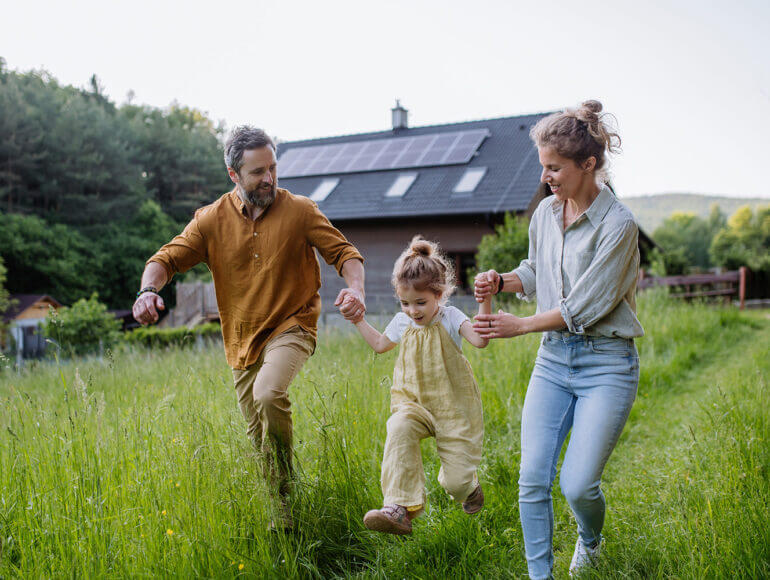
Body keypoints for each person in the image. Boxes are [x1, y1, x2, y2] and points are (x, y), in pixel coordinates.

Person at [132, 125, 366, 531]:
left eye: (273, 168)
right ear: (233, 175)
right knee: (259, 442)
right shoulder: (210, 221)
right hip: (241, 341)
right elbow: (165, 259)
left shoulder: (300, 211)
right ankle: (286, 514)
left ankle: (287, 487)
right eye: (258, 172)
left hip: (293, 326)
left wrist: (356, 289)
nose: (270, 178)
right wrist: (147, 291)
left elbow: (345, 253)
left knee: (269, 392)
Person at [473, 100, 644, 578]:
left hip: (607, 363)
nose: (546, 177)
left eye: (555, 167)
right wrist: (501, 280)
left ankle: (591, 539)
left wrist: (520, 325)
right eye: (543, 166)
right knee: (531, 480)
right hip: (554, 361)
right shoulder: (546, 213)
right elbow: (536, 270)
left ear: (588, 165)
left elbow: (585, 305)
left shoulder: (619, 226)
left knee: (577, 485)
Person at [350, 236, 491, 535]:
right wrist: (358, 319)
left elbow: (480, 340)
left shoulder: (451, 317)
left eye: (420, 303)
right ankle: (398, 508)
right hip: (412, 404)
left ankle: (469, 488)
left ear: (439, 294)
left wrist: (485, 300)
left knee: (455, 484)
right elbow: (379, 344)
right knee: (398, 427)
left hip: (453, 407)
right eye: (405, 303)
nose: (413, 311)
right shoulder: (403, 322)